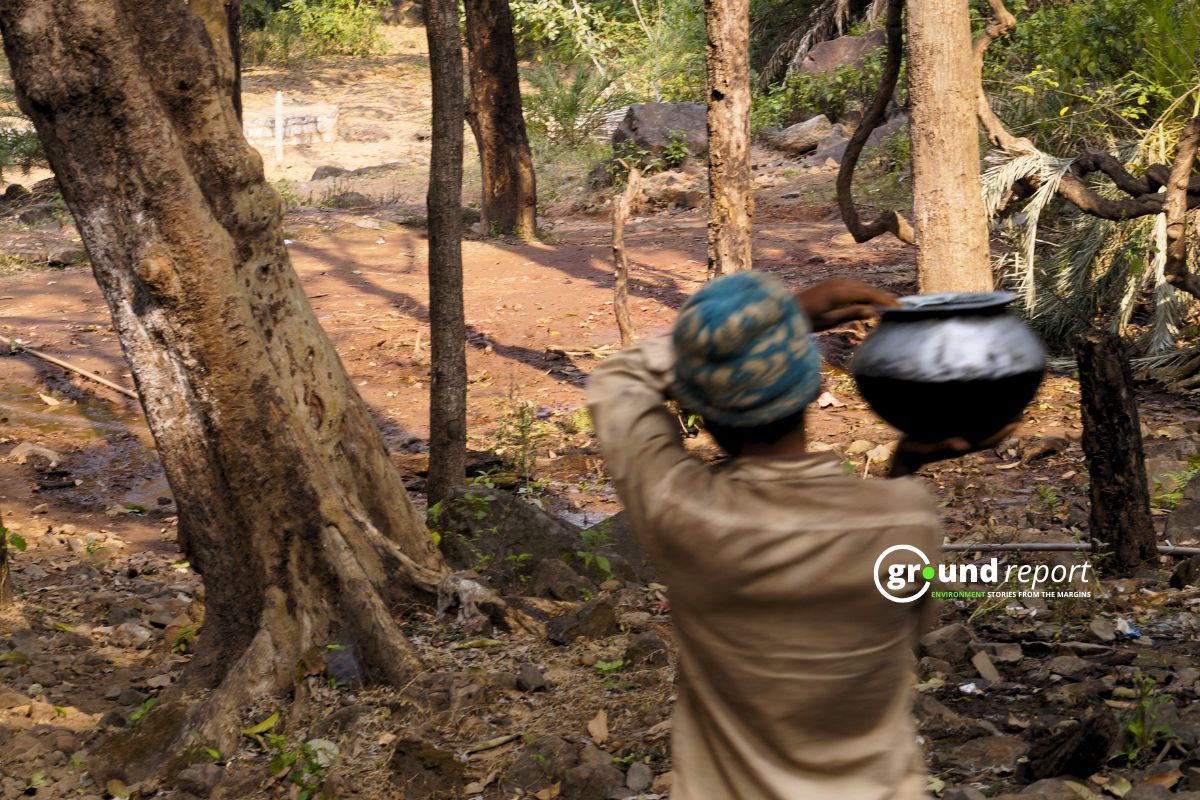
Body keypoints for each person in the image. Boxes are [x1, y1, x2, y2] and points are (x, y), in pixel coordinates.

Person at [586, 272, 1013, 800]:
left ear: (697, 407)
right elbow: (910, 621)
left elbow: (617, 378)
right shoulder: (904, 518)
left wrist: (777, 319)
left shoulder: (679, 508)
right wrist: (904, 469)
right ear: (814, 385)